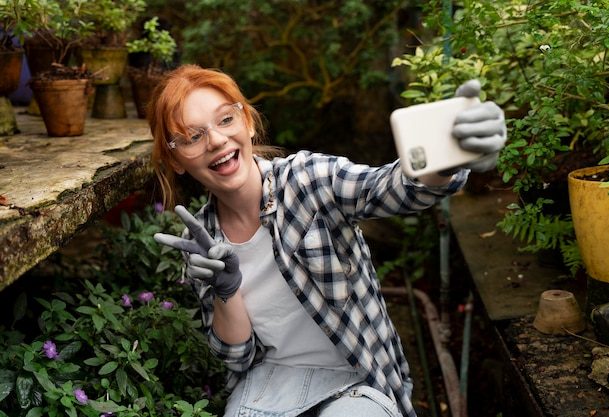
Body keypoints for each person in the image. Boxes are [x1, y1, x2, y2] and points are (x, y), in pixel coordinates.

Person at [149, 64, 506, 417]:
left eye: (225, 119)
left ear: (249, 122)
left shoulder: (308, 180)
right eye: (193, 137)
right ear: (176, 160)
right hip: (272, 388)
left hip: (357, 380)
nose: (216, 140)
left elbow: (389, 188)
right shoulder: (200, 241)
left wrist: (449, 157)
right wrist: (226, 292)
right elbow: (238, 357)